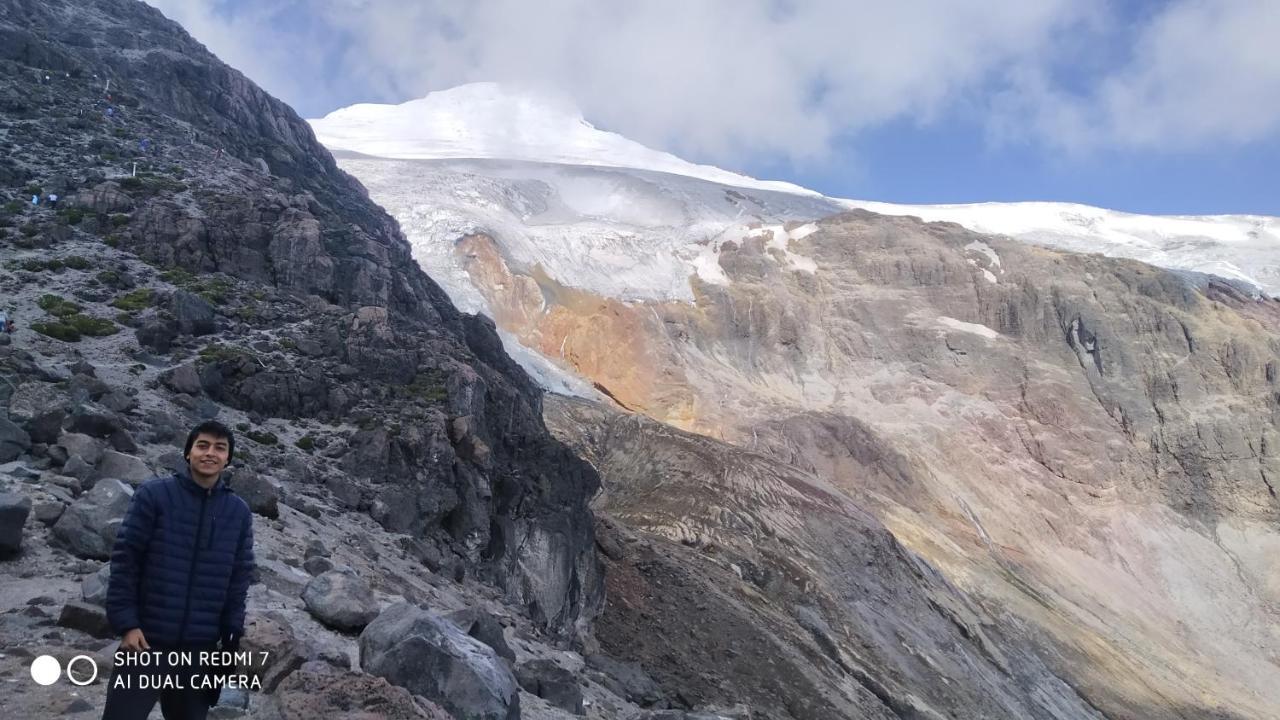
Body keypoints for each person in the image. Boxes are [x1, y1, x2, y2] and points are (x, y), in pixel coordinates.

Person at [102, 420, 255, 720]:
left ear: (228, 459)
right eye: (202, 445)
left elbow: (239, 579)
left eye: (219, 448)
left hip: (199, 650)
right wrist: (127, 624)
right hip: (146, 641)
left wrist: (231, 635)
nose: (210, 453)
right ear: (188, 453)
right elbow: (126, 561)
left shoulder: (238, 512)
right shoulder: (154, 495)